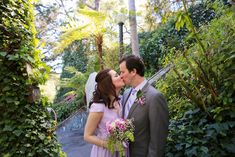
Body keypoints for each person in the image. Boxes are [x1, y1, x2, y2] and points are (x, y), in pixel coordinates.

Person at [119, 55, 169, 157]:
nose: (120, 76)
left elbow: (158, 140)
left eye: (122, 72)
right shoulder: (126, 93)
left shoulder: (154, 97)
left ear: (133, 71)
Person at [84, 68, 125, 157]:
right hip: (105, 152)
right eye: (116, 75)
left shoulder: (120, 101)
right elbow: (87, 136)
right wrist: (109, 145)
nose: (121, 76)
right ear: (108, 83)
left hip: (121, 150)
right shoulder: (99, 107)